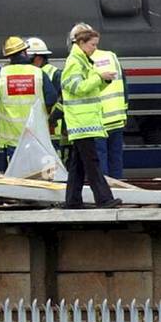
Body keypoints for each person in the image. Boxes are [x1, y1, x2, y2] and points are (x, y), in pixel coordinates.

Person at [60, 23, 123, 209]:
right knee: (92, 162)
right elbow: (76, 87)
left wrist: (103, 80)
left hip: (83, 120)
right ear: (80, 42)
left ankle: (72, 200)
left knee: (77, 164)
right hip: (81, 121)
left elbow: (88, 88)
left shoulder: (83, 60)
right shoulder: (74, 62)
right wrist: (98, 77)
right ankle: (104, 199)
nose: (94, 48)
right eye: (92, 45)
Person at [0, 36, 59, 163]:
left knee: (16, 176)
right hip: (35, 135)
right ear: (25, 53)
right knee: (36, 173)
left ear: (9, 57)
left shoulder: (2, 74)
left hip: (12, 138)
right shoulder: (38, 73)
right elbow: (51, 98)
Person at [91, 42, 128, 179]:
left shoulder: (84, 61)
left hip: (98, 120)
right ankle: (118, 190)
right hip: (116, 118)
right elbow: (124, 85)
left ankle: (104, 194)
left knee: (100, 160)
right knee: (115, 158)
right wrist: (124, 111)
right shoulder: (111, 56)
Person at [26, 36, 67, 159]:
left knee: (54, 160)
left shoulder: (55, 74)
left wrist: (53, 118)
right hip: (39, 125)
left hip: (53, 127)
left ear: (38, 59)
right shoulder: (32, 73)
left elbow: (64, 100)